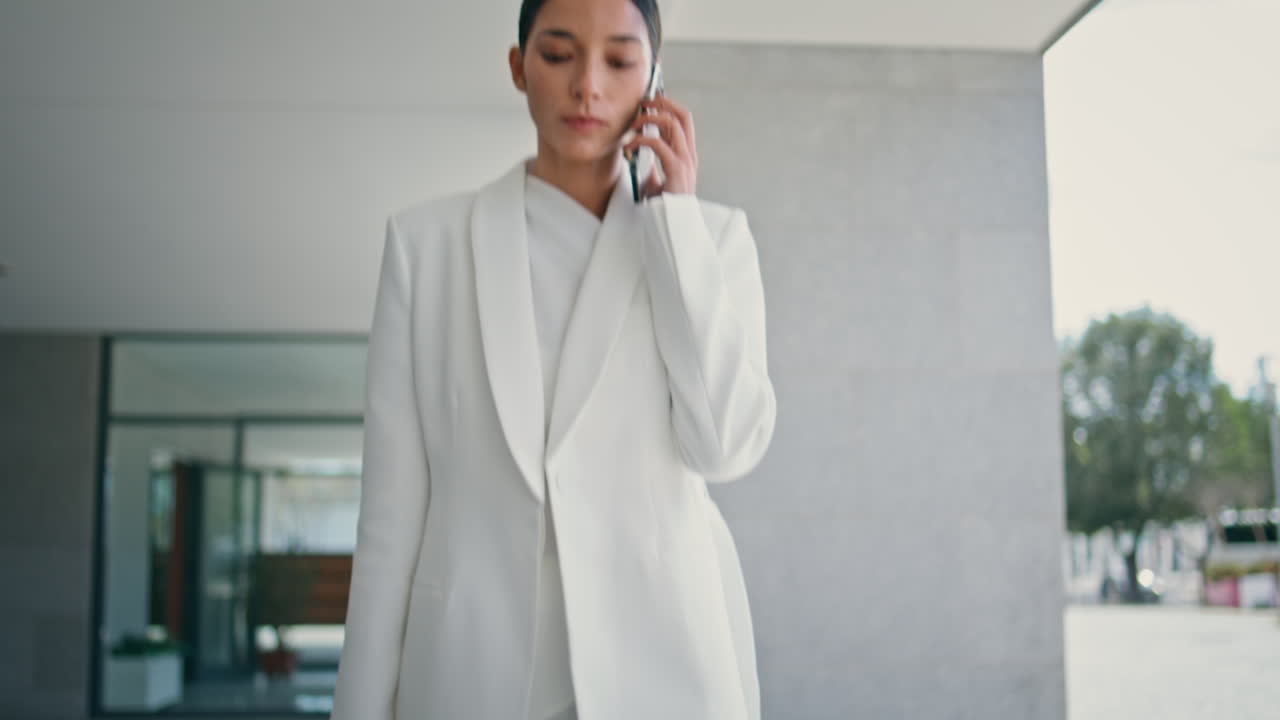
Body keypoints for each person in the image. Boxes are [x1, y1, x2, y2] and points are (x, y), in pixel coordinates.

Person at [330, 0, 776, 717]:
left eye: (620, 61)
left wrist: (675, 224)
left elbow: (725, 448)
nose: (588, 86)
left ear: (654, 79)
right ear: (518, 67)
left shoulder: (711, 241)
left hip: (664, 670)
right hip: (475, 675)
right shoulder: (426, 247)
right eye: (559, 54)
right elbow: (390, 518)